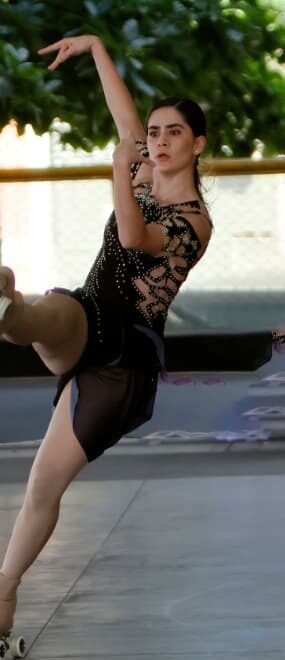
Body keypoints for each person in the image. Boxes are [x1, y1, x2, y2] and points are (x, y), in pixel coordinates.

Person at [0, 35, 211, 656]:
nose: (159, 140)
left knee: (46, 487)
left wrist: (122, 168)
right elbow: (125, 123)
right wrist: (95, 48)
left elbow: (131, 233)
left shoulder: (194, 218)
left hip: (124, 359)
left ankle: (4, 587)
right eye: (155, 132)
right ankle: (10, 305)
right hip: (86, 313)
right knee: (48, 317)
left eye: (173, 132)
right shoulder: (143, 163)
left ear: (196, 144)